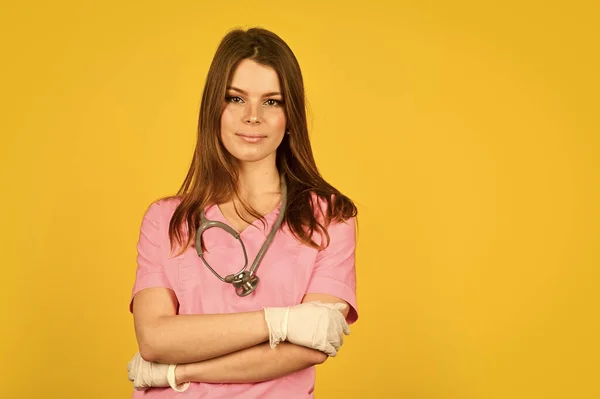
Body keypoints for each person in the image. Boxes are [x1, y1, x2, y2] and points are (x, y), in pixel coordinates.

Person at [126, 27, 359, 398]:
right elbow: (153, 340)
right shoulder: (165, 220)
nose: (253, 117)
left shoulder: (329, 218)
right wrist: (282, 321)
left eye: (272, 101)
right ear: (213, 109)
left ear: (291, 115)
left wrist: (174, 372)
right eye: (236, 99)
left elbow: (311, 344)